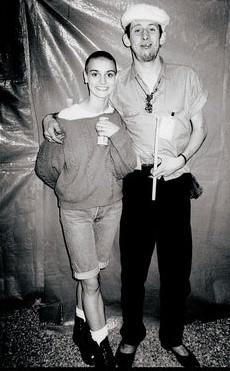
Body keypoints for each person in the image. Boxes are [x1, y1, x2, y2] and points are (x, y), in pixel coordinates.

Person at [42, 4, 208, 369]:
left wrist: (180, 161)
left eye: (152, 30)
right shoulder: (118, 85)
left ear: (163, 36)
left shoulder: (186, 77)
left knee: (176, 270)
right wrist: (51, 117)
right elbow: (88, 106)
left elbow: (200, 129)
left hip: (175, 183)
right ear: (126, 38)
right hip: (134, 185)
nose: (145, 36)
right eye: (137, 31)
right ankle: (131, 336)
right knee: (133, 268)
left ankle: (173, 338)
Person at [35, 50, 137, 369]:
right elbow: (45, 168)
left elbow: (125, 168)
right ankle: (102, 349)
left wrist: (117, 136)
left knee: (90, 276)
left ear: (115, 77)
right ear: (85, 76)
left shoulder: (119, 119)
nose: (102, 80)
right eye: (95, 73)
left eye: (109, 74)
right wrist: (70, 190)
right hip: (76, 212)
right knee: (91, 282)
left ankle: (82, 328)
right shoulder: (64, 119)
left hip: (110, 209)